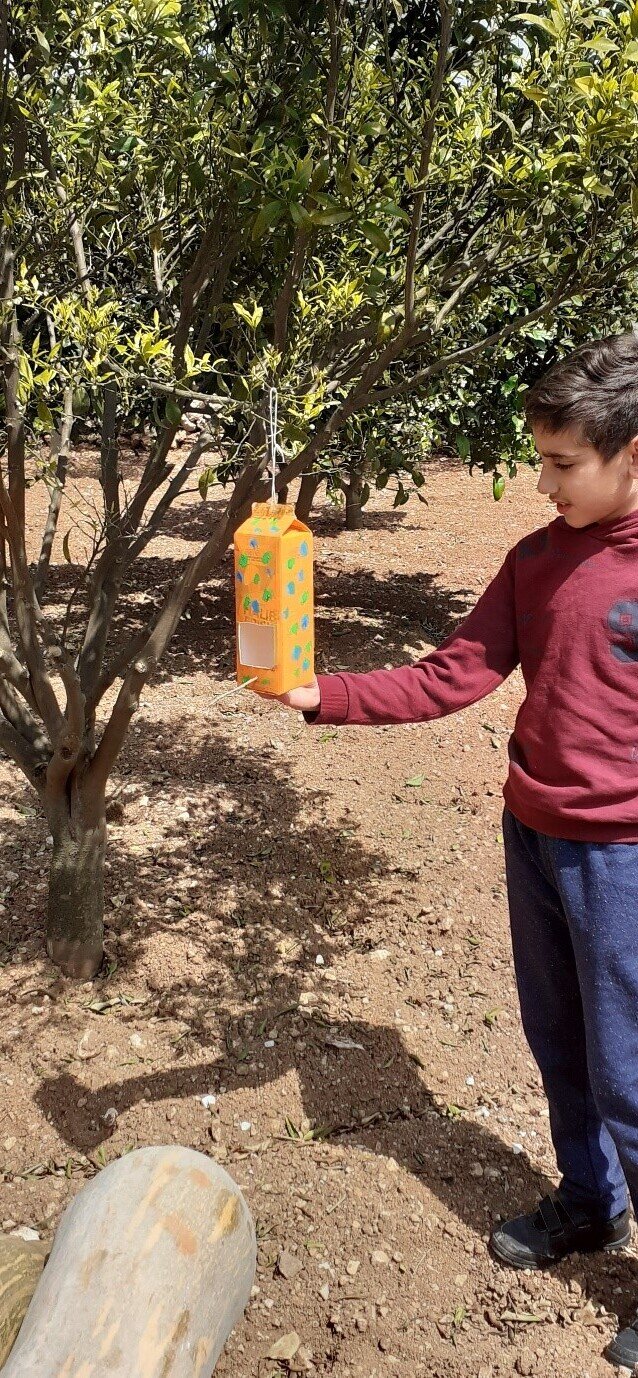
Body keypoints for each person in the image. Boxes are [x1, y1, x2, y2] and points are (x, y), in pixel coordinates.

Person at [274, 334, 638, 1370]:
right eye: (539, 459)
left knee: (627, 1071)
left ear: (627, 454)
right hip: (534, 837)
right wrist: (321, 695)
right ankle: (587, 1202)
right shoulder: (532, 559)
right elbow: (455, 672)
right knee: (555, 1040)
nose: (540, 481)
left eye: (562, 463)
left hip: (621, 861)